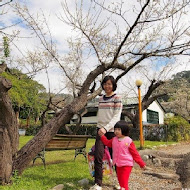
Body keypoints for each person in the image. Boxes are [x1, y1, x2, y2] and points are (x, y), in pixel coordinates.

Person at [89, 75, 123, 190]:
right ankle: (98, 183)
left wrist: (106, 128)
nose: (107, 86)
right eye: (105, 84)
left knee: (116, 158)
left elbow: (116, 117)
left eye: (109, 84)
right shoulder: (100, 99)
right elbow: (100, 115)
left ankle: (120, 182)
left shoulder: (117, 98)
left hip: (113, 132)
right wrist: (100, 128)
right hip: (100, 131)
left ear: (113, 85)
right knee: (98, 156)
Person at [100, 120, 146, 190]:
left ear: (124, 130)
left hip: (127, 165)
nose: (116, 131)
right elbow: (107, 142)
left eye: (119, 129)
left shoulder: (128, 141)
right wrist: (102, 136)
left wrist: (142, 164)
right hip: (118, 164)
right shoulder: (114, 139)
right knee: (121, 182)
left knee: (124, 183)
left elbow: (135, 154)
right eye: (115, 129)